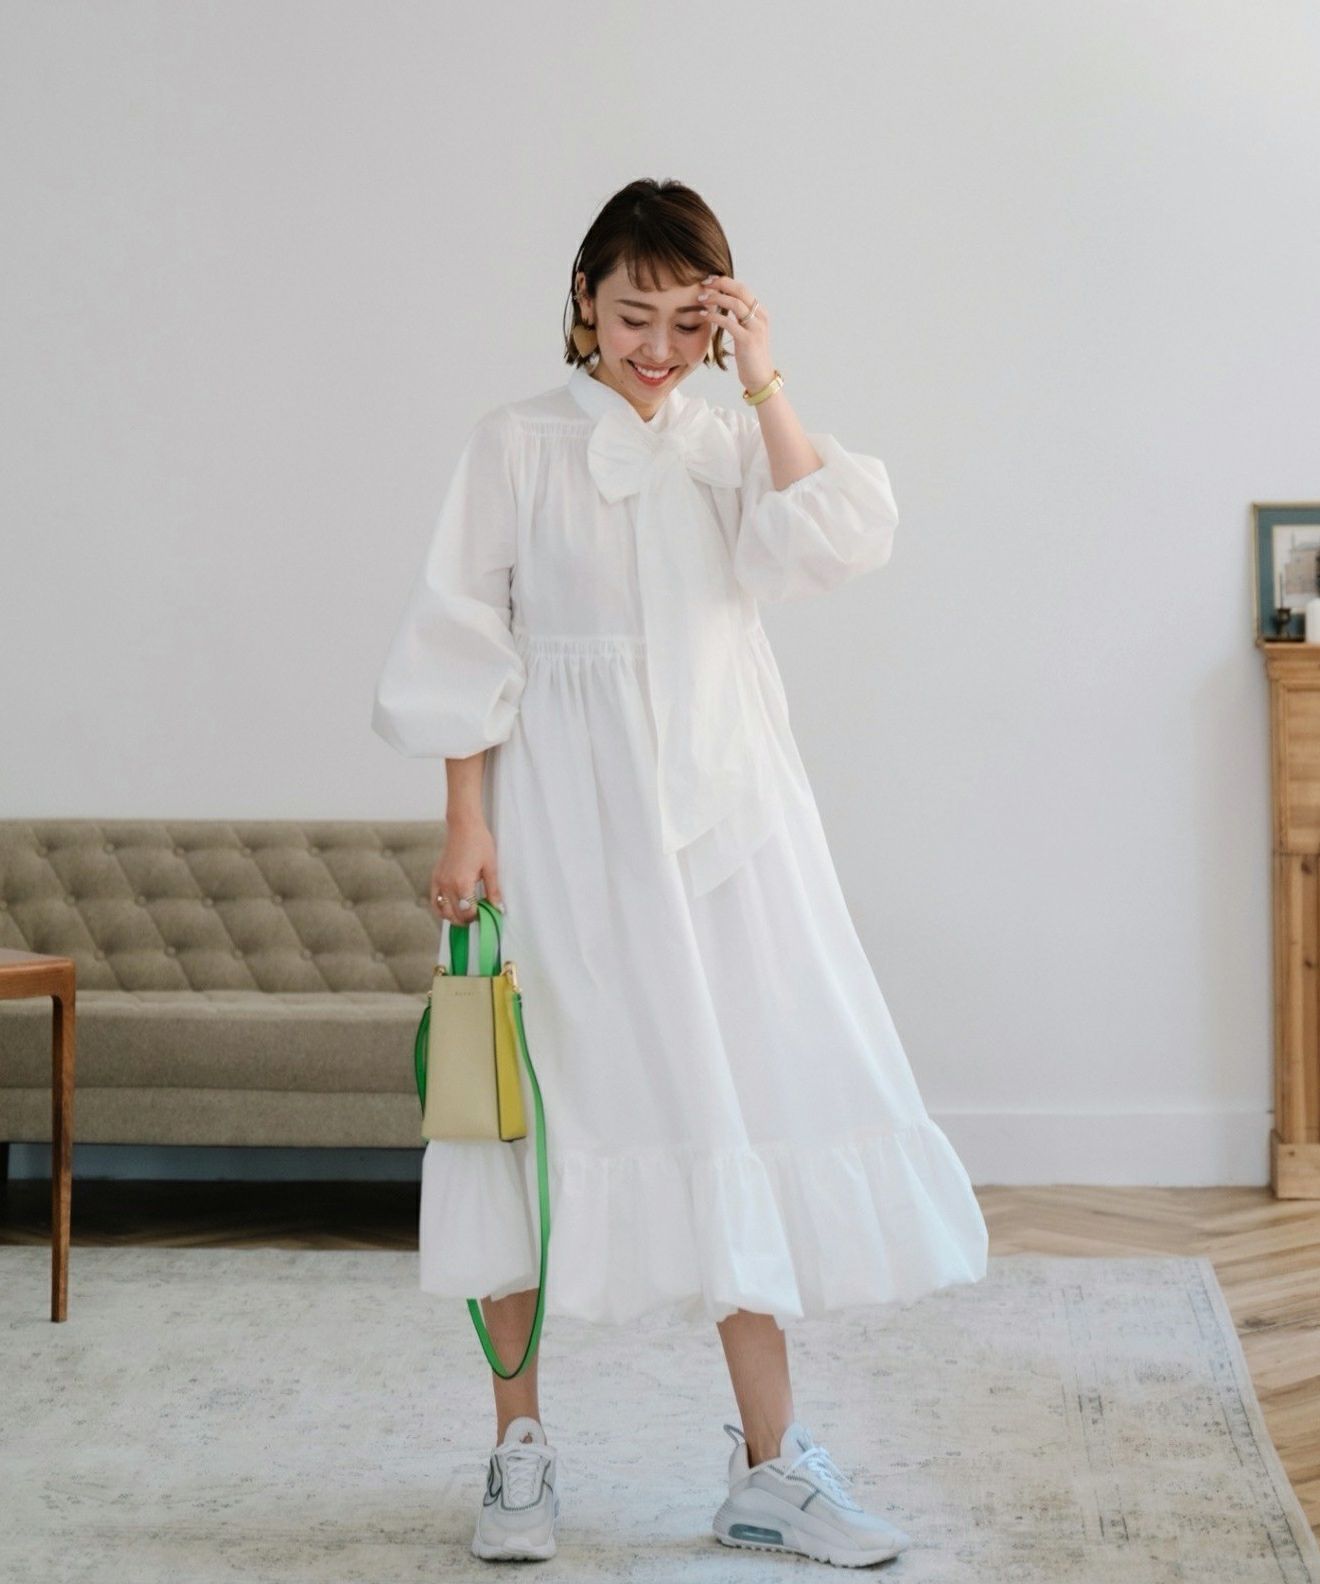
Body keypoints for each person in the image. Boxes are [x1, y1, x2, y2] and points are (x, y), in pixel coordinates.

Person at [371, 177, 989, 1568]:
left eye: (688, 322)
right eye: (632, 313)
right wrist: (465, 821)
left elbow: (836, 538)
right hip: (568, 827)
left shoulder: (729, 444)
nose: (657, 347)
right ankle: (518, 1451)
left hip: (729, 832)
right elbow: (464, 638)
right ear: (583, 301)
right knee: (526, 1123)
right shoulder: (518, 444)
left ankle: (771, 1470)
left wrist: (764, 377)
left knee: (738, 1113)